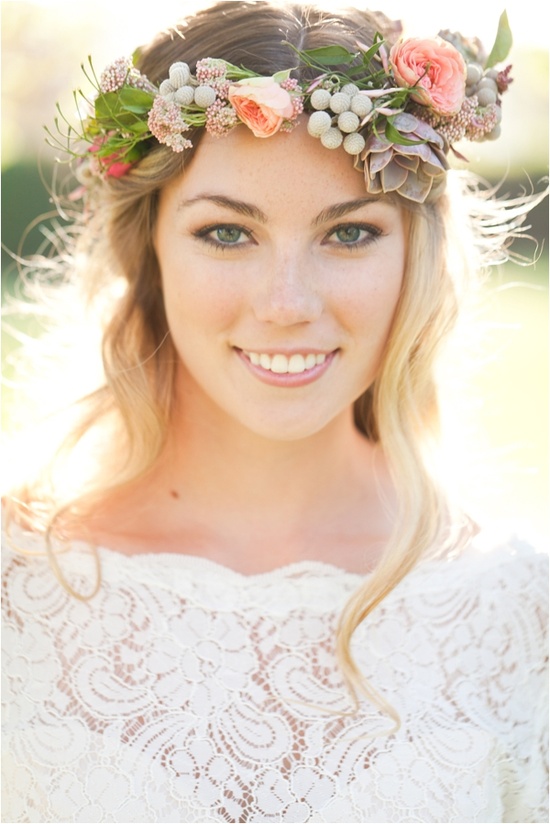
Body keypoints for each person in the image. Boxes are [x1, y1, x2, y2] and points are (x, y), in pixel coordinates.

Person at [2, 2, 547, 822]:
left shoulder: (517, 609)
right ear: (149, 249)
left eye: (350, 234)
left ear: (416, 258)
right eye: (226, 233)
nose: (287, 305)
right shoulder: (18, 589)